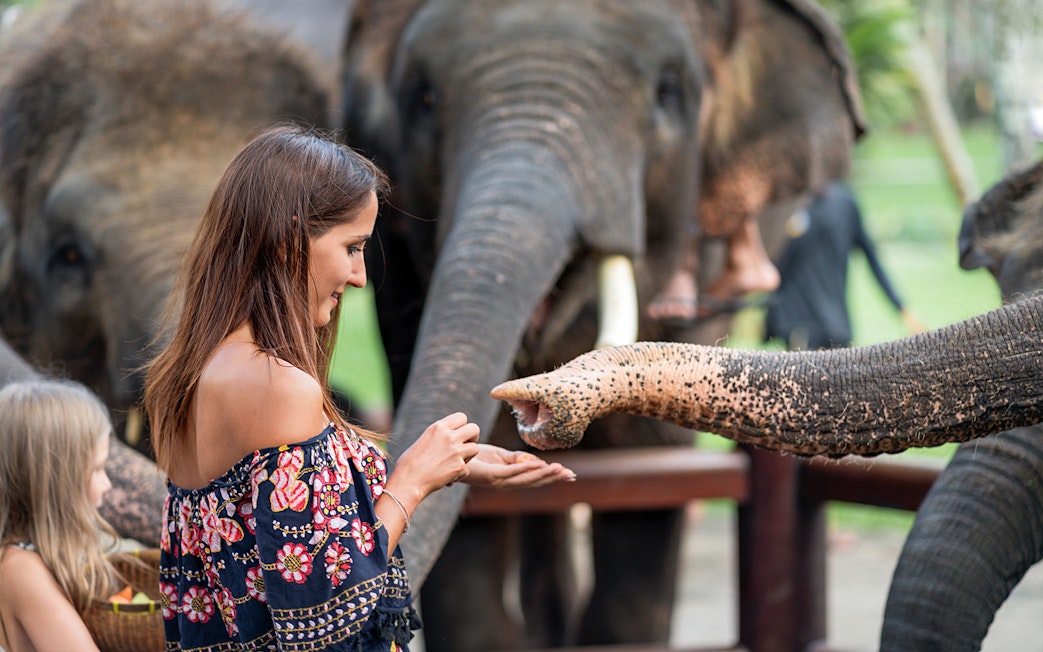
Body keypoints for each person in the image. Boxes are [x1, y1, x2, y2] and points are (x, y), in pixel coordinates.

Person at [143, 124, 575, 651]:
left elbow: (277, 534)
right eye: (351, 247)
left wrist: (443, 464)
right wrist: (411, 484)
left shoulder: (183, 376)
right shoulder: (278, 387)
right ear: (288, 240)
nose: (359, 276)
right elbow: (326, 612)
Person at [0, 379, 119, 651]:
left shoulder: (24, 557)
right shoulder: (20, 570)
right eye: (97, 469)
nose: (107, 483)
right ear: (60, 483)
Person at [764, 180, 924, 350]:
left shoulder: (834, 205)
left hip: (823, 329)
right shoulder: (813, 205)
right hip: (814, 329)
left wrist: (901, 308)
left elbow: (777, 267)